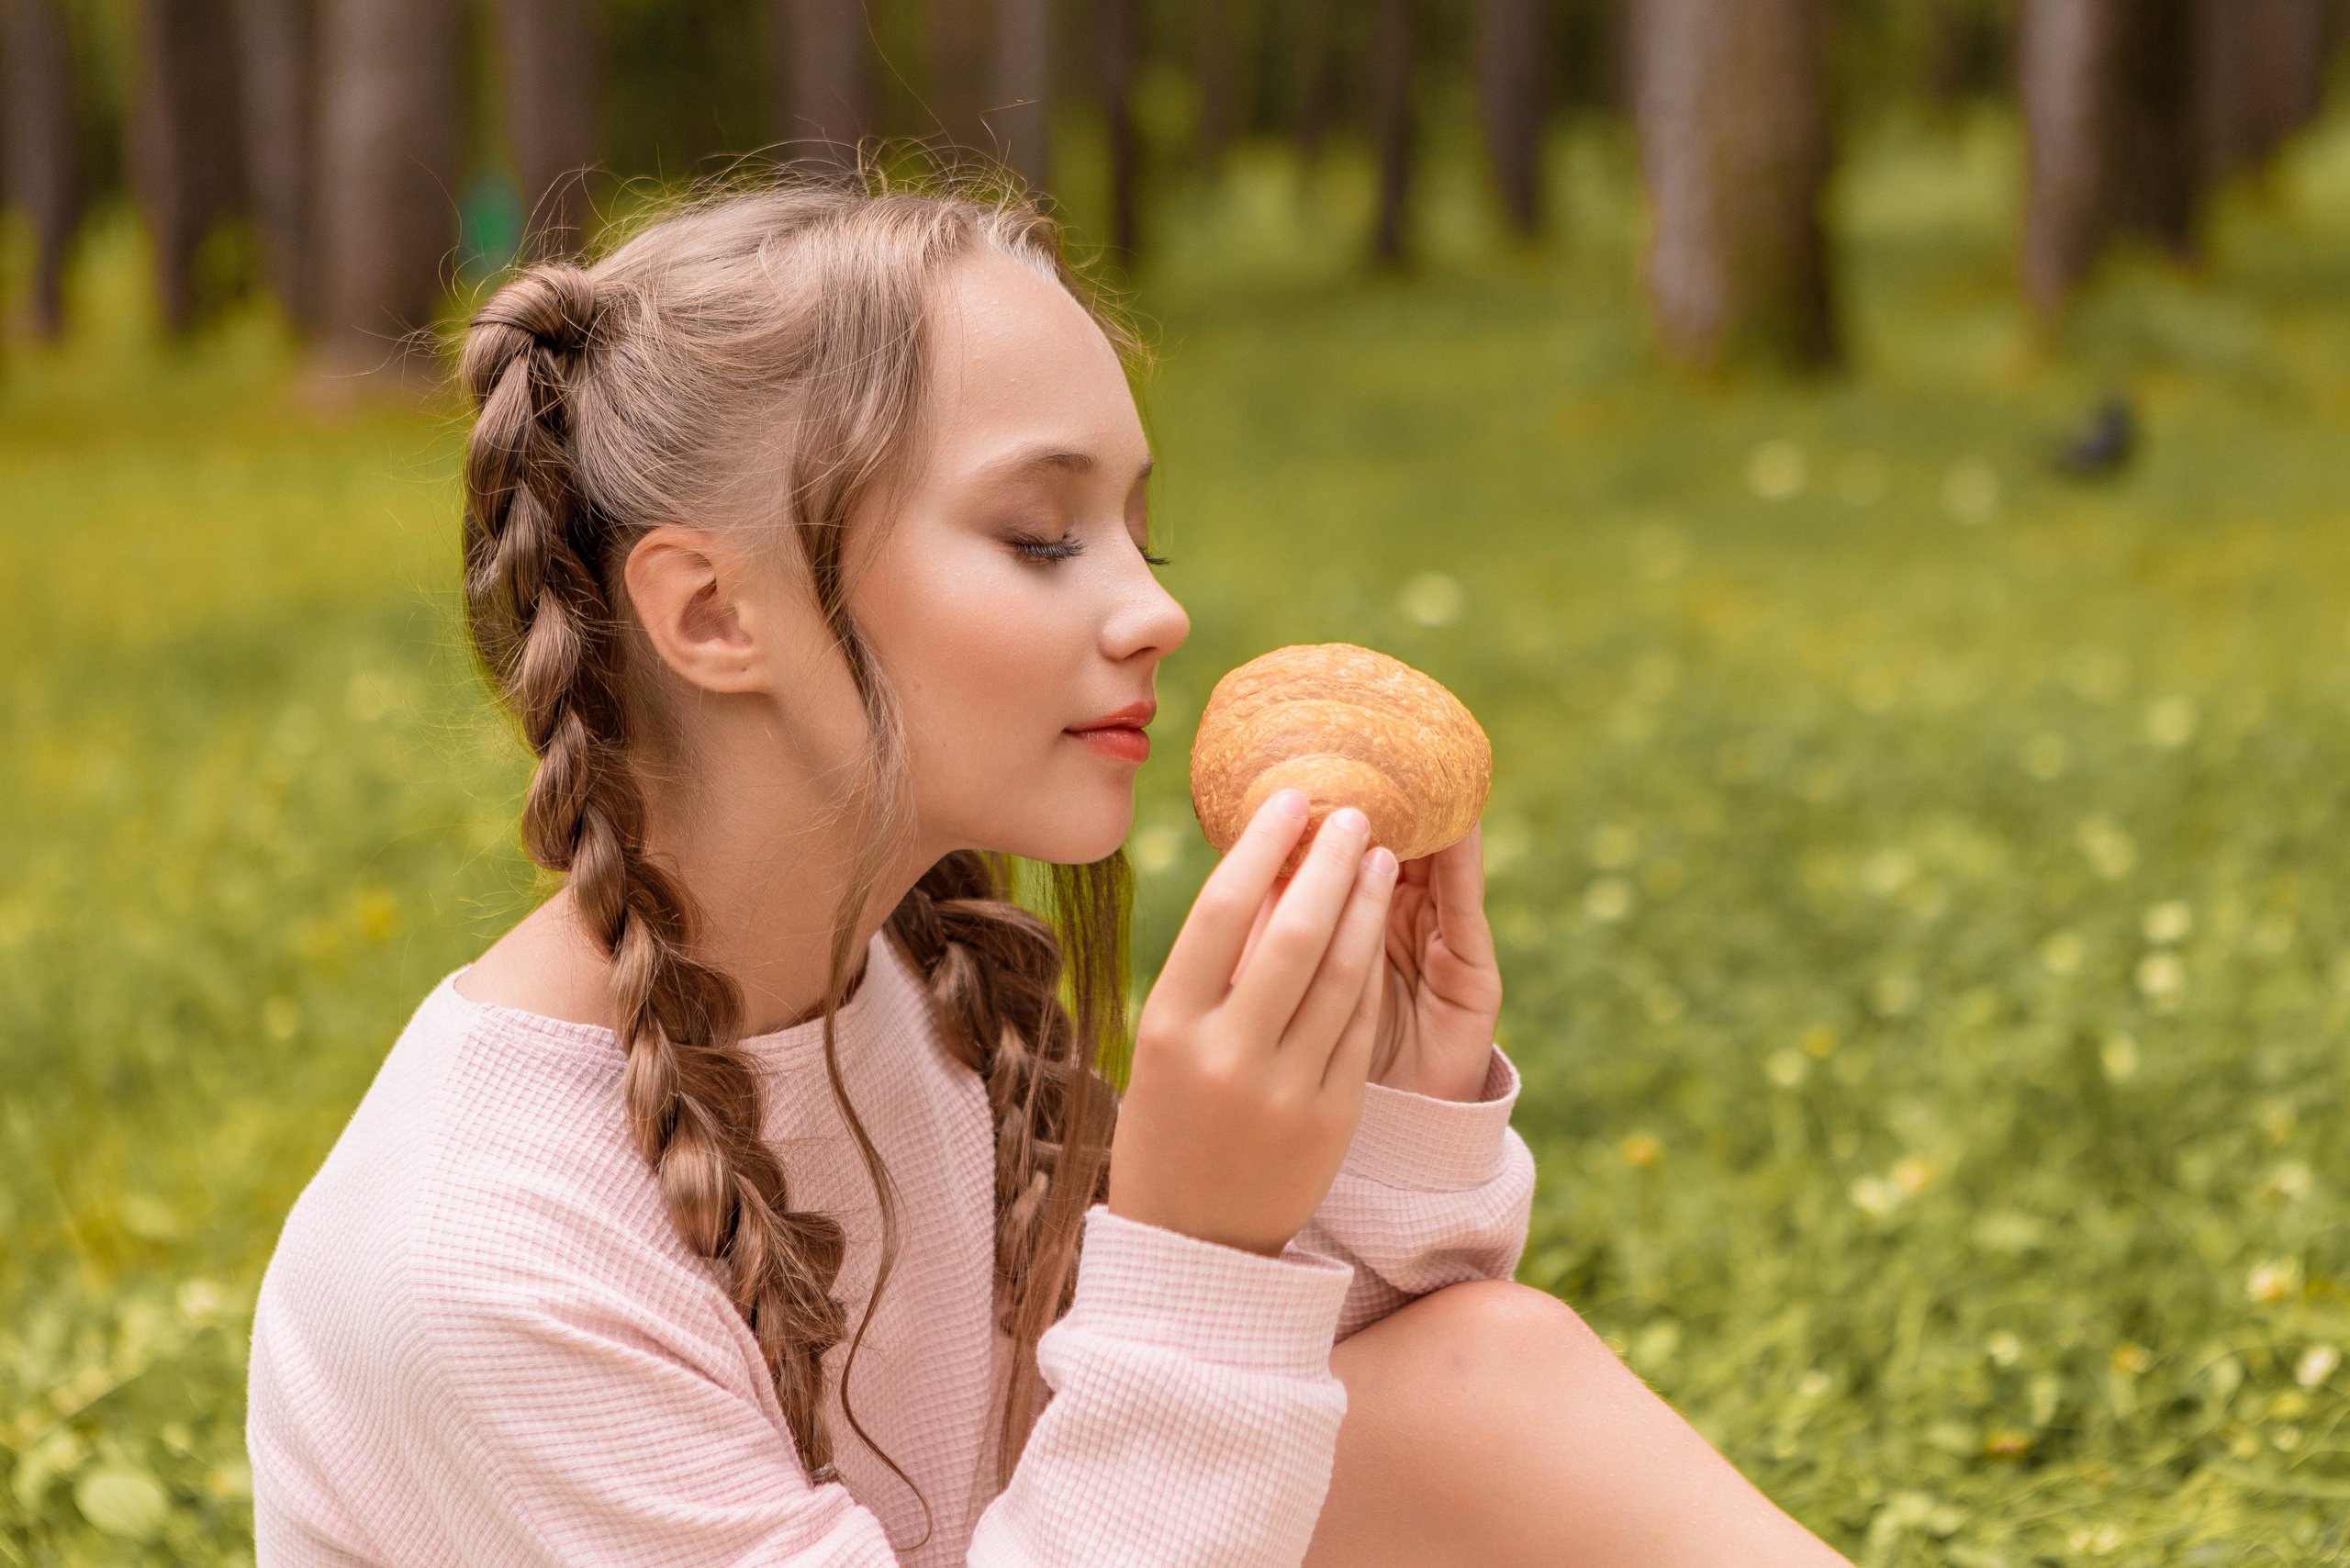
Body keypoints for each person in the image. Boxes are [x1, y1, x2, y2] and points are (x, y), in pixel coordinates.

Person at [247, 176, 1848, 1568]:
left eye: (1145, 533)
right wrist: (1198, 1241)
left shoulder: (920, 981)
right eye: (1040, 535)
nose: (1156, 611)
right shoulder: (484, 1261)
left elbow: (1202, 1462)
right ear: (714, 615)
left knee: (1487, 1377)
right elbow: (1169, 1429)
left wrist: (1379, 1125)